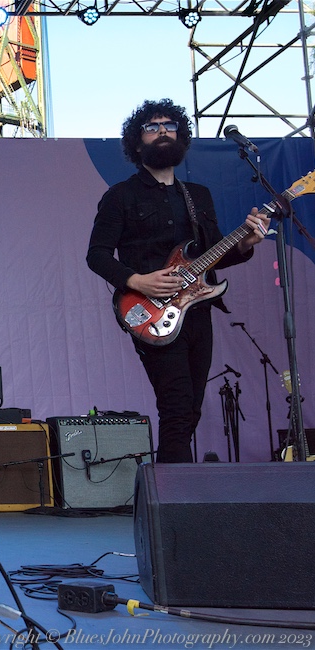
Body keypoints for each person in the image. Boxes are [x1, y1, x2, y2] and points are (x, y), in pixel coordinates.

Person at [86, 99, 270, 463]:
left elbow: (216, 253)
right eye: (153, 127)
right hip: (150, 312)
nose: (163, 132)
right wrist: (139, 280)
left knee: (191, 410)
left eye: (170, 125)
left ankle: (172, 490)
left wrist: (246, 243)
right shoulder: (121, 196)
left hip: (197, 311)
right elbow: (97, 255)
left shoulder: (197, 195)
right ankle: (174, 506)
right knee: (176, 406)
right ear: (137, 143)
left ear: (181, 137)